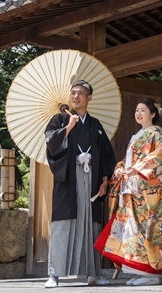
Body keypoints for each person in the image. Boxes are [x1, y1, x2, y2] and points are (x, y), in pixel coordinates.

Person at [95, 97, 162, 286]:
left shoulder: (156, 134)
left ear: (153, 114)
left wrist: (135, 170)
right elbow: (129, 162)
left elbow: (161, 157)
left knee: (146, 228)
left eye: (143, 110)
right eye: (137, 110)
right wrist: (120, 168)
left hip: (145, 188)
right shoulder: (137, 135)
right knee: (133, 229)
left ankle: (151, 274)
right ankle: (139, 270)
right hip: (132, 188)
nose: (138, 113)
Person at [44, 79, 116, 288]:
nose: (76, 96)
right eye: (73, 93)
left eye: (81, 93)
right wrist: (68, 128)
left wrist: (104, 180)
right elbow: (51, 145)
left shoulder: (96, 125)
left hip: (91, 179)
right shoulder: (60, 119)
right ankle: (54, 274)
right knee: (62, 225)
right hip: (69, 179)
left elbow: (105, 154)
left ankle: (92, 274)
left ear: (89, 98)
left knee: (90, 225)